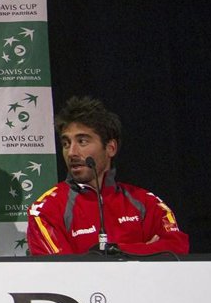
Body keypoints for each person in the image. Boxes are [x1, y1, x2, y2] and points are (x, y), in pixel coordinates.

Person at [27, 95, 189, 255]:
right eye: (66, 143)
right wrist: (146, 251)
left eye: (82, 141)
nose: (71, 152)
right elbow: (63, 269)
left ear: (111, 148)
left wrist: (114, 252)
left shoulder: (146, 202)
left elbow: (178, 247)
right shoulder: (45, 210)